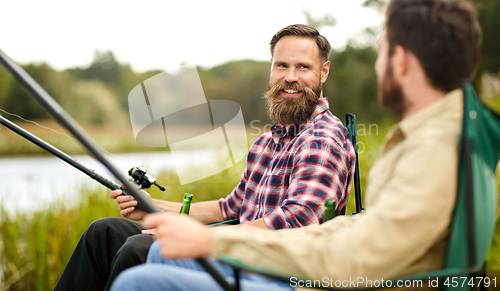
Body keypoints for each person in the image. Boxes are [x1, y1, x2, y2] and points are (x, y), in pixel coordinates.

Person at [110, 0, 482, 291]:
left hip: (297, 280)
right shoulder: (433, 136)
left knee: (138, 277)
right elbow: (360, 230)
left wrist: (212, 242)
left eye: (380, 53)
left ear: (400, 61)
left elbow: (346, 250)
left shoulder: (430, 149)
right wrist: (162, 212)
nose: (377, 65)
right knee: (129, 243)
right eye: (281, 65)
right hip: (291, 262)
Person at [53, 24, 356, 291]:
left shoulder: (322, 139)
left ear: (323, 72)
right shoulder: (268, 141)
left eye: (303, 67)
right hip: (236, 250)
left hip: (271, 269)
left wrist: (198, 237)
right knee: (104, 233)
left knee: (139, 248)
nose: (290, 77)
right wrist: (152, 208)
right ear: (271, 70)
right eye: (281, 66)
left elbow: (296, 222)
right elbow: (230, 207)